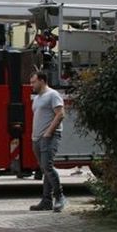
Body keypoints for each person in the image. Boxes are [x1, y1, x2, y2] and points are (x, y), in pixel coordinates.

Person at [30, 72, 67, 212]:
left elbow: (60, 114)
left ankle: (60, 197)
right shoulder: (37, 98)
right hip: (37, 139)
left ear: (42, 80)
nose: (31, 85)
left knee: (48, 167)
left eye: (34, 82)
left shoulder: (53, 95)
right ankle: (46, 201)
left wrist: (48, 132)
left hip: (49, 137)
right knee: (44, 169)